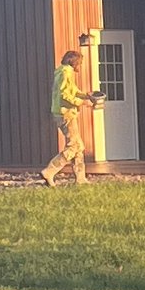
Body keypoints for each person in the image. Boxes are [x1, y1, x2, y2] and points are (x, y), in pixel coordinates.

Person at [45, 45, 96, 186]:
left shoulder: (62, 72)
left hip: (62, 113)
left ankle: (81, 179)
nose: (80, 65)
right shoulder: (66, 73)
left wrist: (86, 95)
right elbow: (65, 95)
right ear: (73, 62)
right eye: (79, 62)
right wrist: (82, 103)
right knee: (73, 146)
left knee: (79, 146)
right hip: (66, 113)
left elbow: (72, 90)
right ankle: (50, 170)